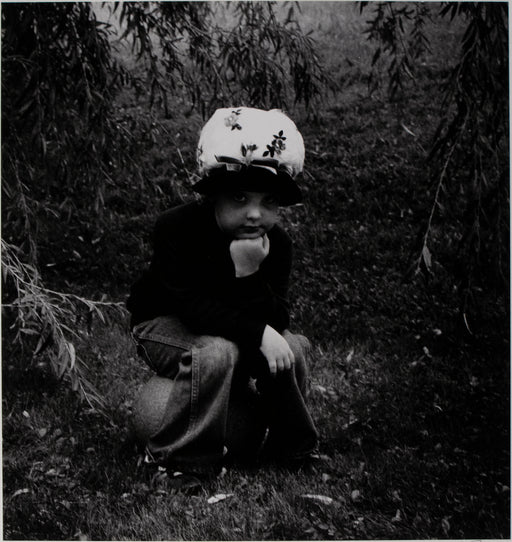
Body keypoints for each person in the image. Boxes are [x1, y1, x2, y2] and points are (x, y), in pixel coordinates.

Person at [127, 107, 318, 489]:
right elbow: (191, 308)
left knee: (292, 347)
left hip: (232, 329)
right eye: (240, 197)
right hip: (164, 324)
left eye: (269, 203)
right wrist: (256, 328)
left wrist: (249, 276)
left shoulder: (276, 244)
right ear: (213, 195)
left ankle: (292, 447)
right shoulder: (177, 228)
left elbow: (277, 315)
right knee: (215, 353)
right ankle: (182, 461)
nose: (254, 213)